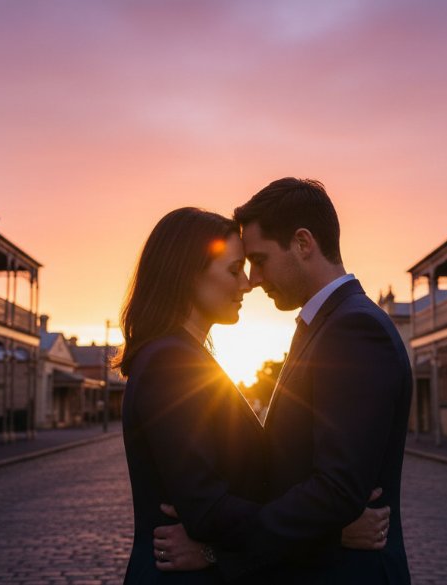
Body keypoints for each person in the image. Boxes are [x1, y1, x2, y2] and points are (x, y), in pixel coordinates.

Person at [154, 179, 413, 583]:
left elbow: (336, 490)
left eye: (259, 259)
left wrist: (220, 552)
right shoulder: (323, 324)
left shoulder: (354, 328)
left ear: (303, 244)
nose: (253, 279)